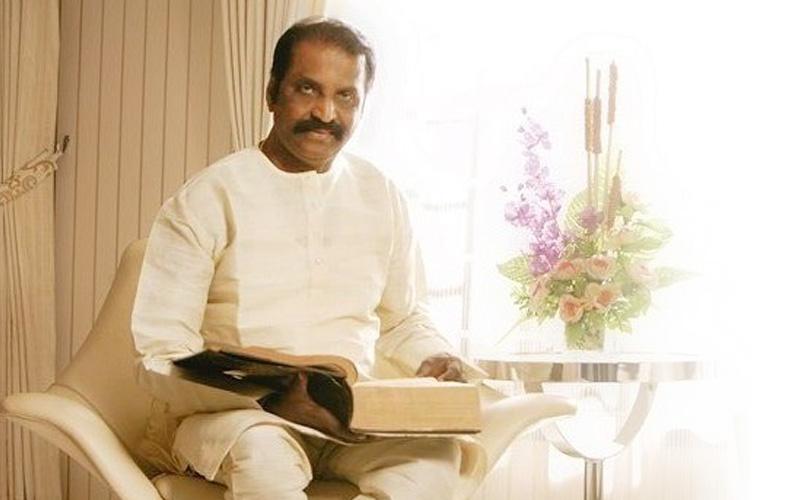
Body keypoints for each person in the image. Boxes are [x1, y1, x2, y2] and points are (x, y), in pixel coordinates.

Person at [131, 17, 486, 500]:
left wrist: (434, 357)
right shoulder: (209, 197)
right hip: (240, 420)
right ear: (272, 93)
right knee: (265, 459)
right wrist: (269, 399)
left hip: (348, 424)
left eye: (346, 96)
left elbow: (402, 319)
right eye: (307, 89)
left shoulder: (380, 194)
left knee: (432, 461)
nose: (326, 112)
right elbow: (159, 356)